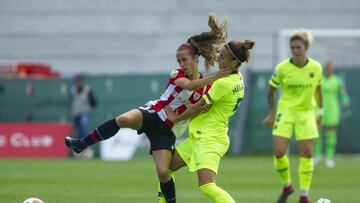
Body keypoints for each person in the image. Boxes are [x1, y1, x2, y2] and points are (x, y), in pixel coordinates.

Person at [65, 13, 228, 203]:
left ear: (196, 58)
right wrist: (218, 76)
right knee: (123, 119)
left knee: (163, 173)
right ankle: (81, 144)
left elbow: (202, 106)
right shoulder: (177, 74)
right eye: (179, 61)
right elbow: (189, 86)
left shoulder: (208, 88)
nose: (181, 64)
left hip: (168, 130)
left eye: (184, 60)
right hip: (153, 113)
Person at [165, 39, 255, 203]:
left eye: (222, 56)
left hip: (210, 138)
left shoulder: (224, 84)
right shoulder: (237, 77)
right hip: (200, 136)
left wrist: (175, 118)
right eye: (220, 54)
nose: (218, 58)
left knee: (206, 186)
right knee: (166, 170)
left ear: (234, 62)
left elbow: (196, 108)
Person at [262, 29, 323, 203]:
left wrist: (320, 113)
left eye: (299, 47)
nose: (295, 50)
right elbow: (270, 91)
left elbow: (318, 91)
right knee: (279, 152)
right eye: (293, 47)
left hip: (306, 112)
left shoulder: (316, 67)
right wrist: (271, 113)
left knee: (307, 153)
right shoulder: (282, 68)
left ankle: (304, 195)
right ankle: (287, 186)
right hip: (286, 111)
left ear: (306, 48)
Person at [314, 60, 350, 168]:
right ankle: (317, 155)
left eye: (330, 68)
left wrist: (345, 101)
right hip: (319, 109)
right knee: (317, 133)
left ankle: (330, 157)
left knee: (331, 134)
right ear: (324, 69)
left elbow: (343, 93)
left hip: (332, 109)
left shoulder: (338, 80)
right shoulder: (319, 79)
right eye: (326, 68)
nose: (328, 70)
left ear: (332, 69)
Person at [70, 74, 97, 158]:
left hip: (85, 112)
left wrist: (89, 108)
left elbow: (93, 102)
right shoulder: (73, 90)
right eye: (77, 81)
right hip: (76, 113)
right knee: (77, 130)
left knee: (83, 124)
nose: (78, 83)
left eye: (79, 81)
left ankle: (87, 145)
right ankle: (78, 147)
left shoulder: (87, 90)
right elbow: (72, 101)